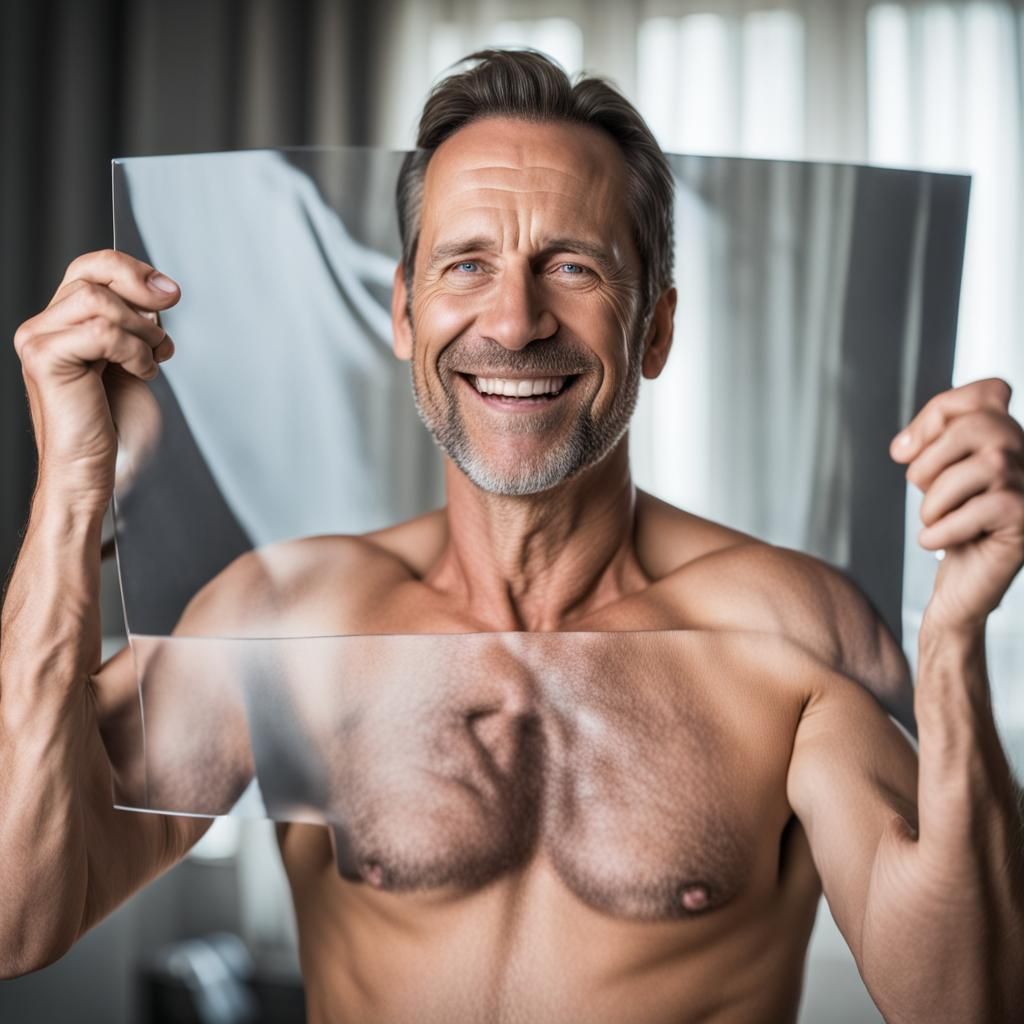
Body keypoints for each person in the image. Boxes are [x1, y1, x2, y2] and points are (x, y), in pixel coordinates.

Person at [1, 48, 1022, 1024]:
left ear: (654, 328)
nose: (514, 319)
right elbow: (21, 912)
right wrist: (69, 492)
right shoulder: (282, 620)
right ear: (403, 312)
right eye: (466, 264)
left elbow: (965, 1001)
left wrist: (953, 640)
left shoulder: (792, 630)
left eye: (571, 265)